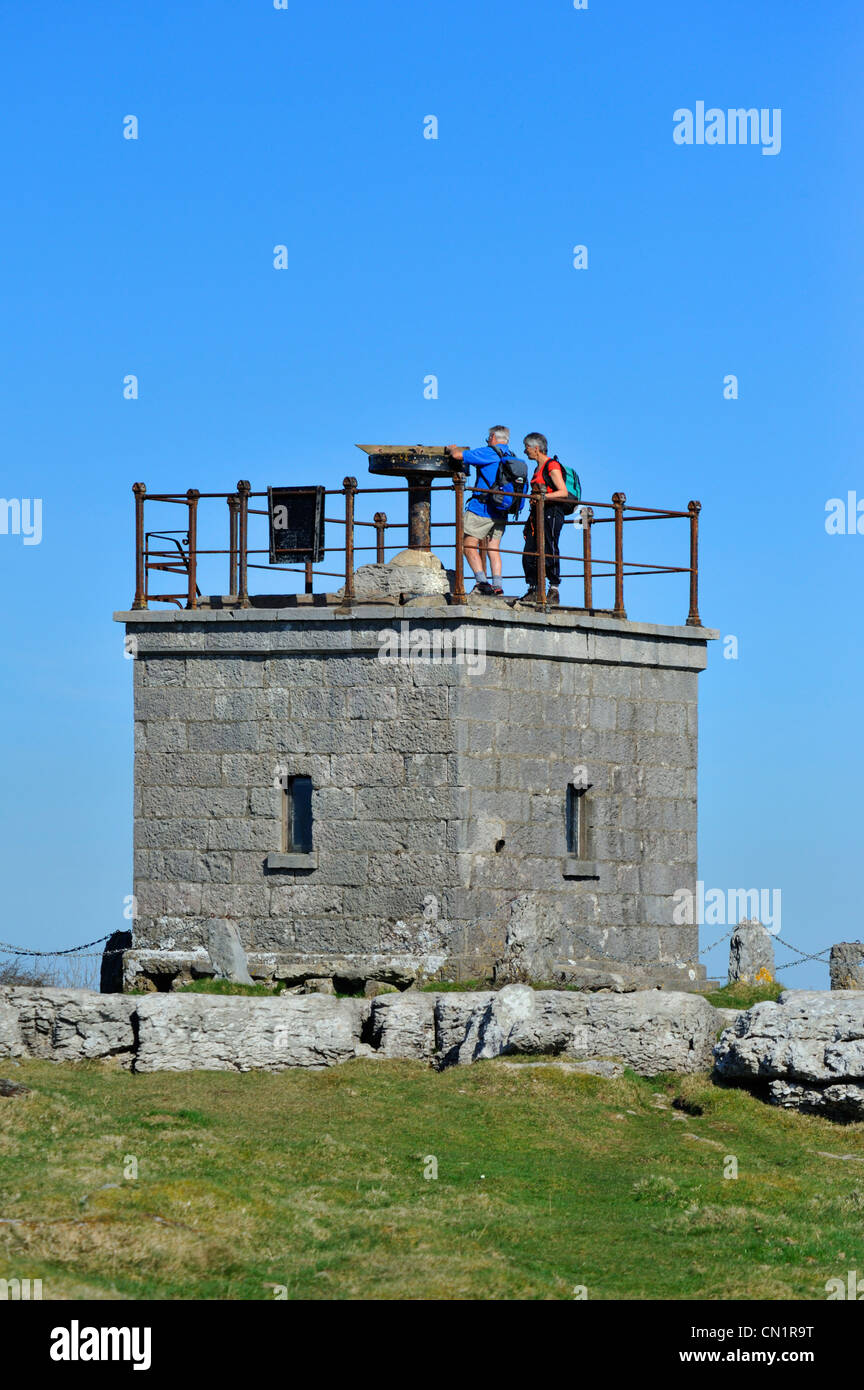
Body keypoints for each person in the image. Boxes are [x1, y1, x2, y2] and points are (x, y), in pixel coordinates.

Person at [446, 426, 525, 596]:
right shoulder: (512, 456)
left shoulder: (489, 452)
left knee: (467, 544)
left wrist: (452, 448)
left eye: (489, 438)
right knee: (493, 548)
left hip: (482, 509)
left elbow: (458, 456)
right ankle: (497, 586)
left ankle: (482, 583)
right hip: (503, 510)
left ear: (492, 437)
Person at [520, 432, 570, 606]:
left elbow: (563, 492)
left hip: (552, 511)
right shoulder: (537, 468)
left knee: (549, 547)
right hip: (537, 513)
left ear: (536, 448)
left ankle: (553, 589)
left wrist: (543, 497)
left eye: (527, 447)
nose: (525, 451)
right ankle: (533, 588)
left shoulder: (552, 465)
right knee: (530, 550)